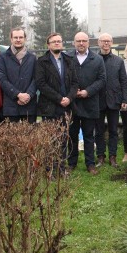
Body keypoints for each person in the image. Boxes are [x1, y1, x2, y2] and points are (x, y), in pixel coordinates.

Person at [35, 32, 78, 168]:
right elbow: (41, 84)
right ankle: (50, 168)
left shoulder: (69, 60)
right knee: (51, 139)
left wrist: (69, 98)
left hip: (67, 106)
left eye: (59, 41)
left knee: (64, 138)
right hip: (50, 106)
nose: (57, 43)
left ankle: (61, 167)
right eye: (54, 42)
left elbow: (75, 82)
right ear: (48, 45)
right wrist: (59, 98)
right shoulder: (42, 61)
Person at [65, 32, 106, 175]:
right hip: (73, 103)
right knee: (72, 135)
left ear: (88, 42)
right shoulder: (67, 57)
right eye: (78, 41)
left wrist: (87, 91)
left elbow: (102, 79)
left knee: (89, 135)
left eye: (84, 41)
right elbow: (63, 78)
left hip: (90, 102)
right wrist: (73, 92)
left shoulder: (97, 59)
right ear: (74, 43)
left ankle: (90, 164)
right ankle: (71, 163)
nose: (81, 43)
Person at [94, 33, 127, 168]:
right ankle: (101, 156)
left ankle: (113, 157)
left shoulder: (118, 61)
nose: (106, 43)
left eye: (108, 41)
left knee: (113, 130)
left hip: (114, 100)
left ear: (112, 43)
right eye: (103, 41)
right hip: (97, 100)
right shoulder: (93, 59)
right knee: (99, 130)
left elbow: (123, 81)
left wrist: (124, 99)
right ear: (99, 42)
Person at [0, 27, 37, 123]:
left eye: (20, 37)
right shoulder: (2, 57)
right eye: (15, 37)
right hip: (11, 106)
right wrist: (18, 94)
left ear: (25, 39)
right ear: (11, 39)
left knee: (32, 137)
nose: (18, 40)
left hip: (29, 106)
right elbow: (2, 79)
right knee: (12, 137)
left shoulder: (33, 57)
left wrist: (28, 95)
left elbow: (36, 79)